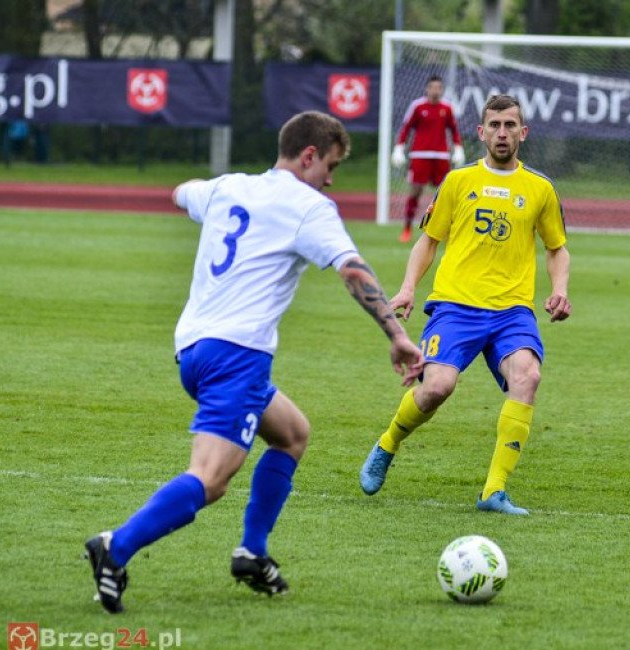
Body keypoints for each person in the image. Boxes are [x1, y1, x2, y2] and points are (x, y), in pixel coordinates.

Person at [84, 111, 425, 613]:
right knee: (211, 478)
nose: (331, 180)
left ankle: (253, 550)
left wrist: (194, 194)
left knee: (292, 434)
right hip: (236, 355)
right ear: (310, 155)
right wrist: (396, 334)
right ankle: (116, 547)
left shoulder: (228, 187)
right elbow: (352, 269)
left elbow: (183, 191)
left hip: (194, 350)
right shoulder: (310, 207)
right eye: (330, 166)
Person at [360, 93, 571, 515]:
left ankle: (494, 491)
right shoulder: (457, 182)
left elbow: (557, 248)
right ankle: (388, 443)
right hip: (456, 306)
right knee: (436, 387)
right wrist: (406, 288)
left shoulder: (540, 189)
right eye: (495, 125)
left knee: (527, 377)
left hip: (512, 311)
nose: (502, 133)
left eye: (511, 125)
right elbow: (428, 242)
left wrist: (560, 287)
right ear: (481, 132)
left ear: (523, 133)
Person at [392, 75, 465, 242]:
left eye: (438, 88)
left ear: (442, 90)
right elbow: (406, 127)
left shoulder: (447, 108)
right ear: (427, 89)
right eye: (432, 87)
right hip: (420, 154)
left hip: (441, 155)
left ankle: (447, 229)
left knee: (444, 194)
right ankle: (407, 229)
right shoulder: (417, 106)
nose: (435, 91)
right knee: (415, 191)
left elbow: (453, 130)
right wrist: (399, 147)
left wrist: (458, 148)